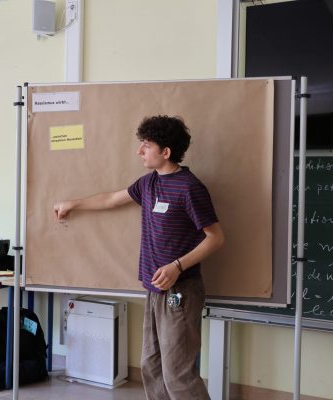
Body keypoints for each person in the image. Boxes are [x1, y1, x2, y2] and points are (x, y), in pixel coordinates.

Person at [54, 115, 224, 400]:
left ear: (165, 152)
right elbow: (111, 200)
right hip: (154, 289)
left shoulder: (190, 187)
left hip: (181, 291)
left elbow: (216, 238)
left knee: (178, 374)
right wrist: (73, 203)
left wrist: (177, 266)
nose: (139, 151)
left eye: (146, 145)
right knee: (151, 367)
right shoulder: (148, 183)